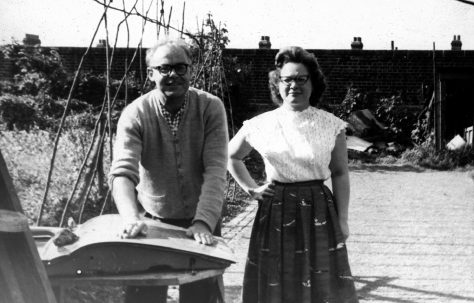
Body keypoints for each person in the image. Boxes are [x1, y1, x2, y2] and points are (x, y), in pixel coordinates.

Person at [228, 46, 359, 303]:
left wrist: (342, 219)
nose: (294, 86)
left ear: (313, 83)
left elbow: (341, 173)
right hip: (276, 209)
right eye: (287, 79)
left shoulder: (331, 125)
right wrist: (251, 189)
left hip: (319, 210)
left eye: (301, 79)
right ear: (278, 83)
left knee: (322, 282)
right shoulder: (261, 124)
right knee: (277, 278)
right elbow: (231, 156)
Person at [108, 37, 228, 303]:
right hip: (154, 219)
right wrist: (130, 218)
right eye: (164, 68)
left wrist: (204, 221)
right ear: (151, 74)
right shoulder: (135, 113)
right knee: (144, 293)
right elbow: (122, 173)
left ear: (191, 70)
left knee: (202, 293)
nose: (172, 74)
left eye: (180, 67)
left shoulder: (210, 107)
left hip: (202, 218)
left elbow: (216, 168)